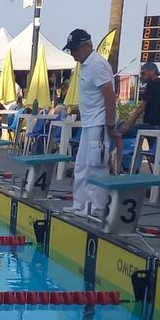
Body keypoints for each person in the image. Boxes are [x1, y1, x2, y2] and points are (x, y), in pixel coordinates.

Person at [63, 28, 121, 217]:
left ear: (87, 46)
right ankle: (80, 204)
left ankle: (96, 207)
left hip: (98, 124)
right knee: (81, 165)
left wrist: (110, 125)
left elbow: (110, 96)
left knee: (96, 166)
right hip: (88, 123)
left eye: (74, 50)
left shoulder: (98, 65)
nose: (72, 54)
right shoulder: (85, 65)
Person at [119, 62, 160, 138]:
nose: (142, 75)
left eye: (143, 73)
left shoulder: (151, 84)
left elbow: (141, 108)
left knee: (119, 131)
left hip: (150, 125)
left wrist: (128, 125)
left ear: (152, 71)